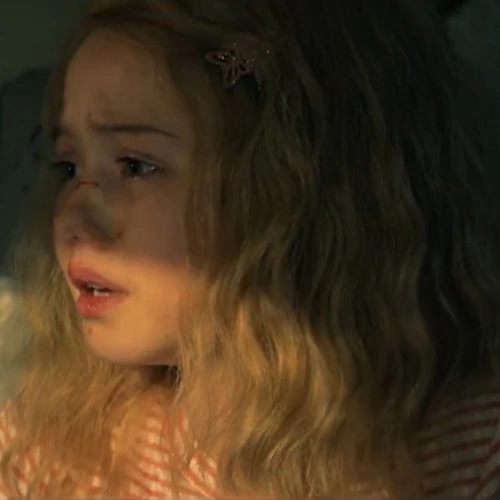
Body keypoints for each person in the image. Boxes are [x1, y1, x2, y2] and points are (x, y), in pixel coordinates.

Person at [0, 0, 499, 498]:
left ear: (292, 191)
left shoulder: (473, 453)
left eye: (135, 166)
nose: (71, 221)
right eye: (68, 167)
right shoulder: (59, 444)